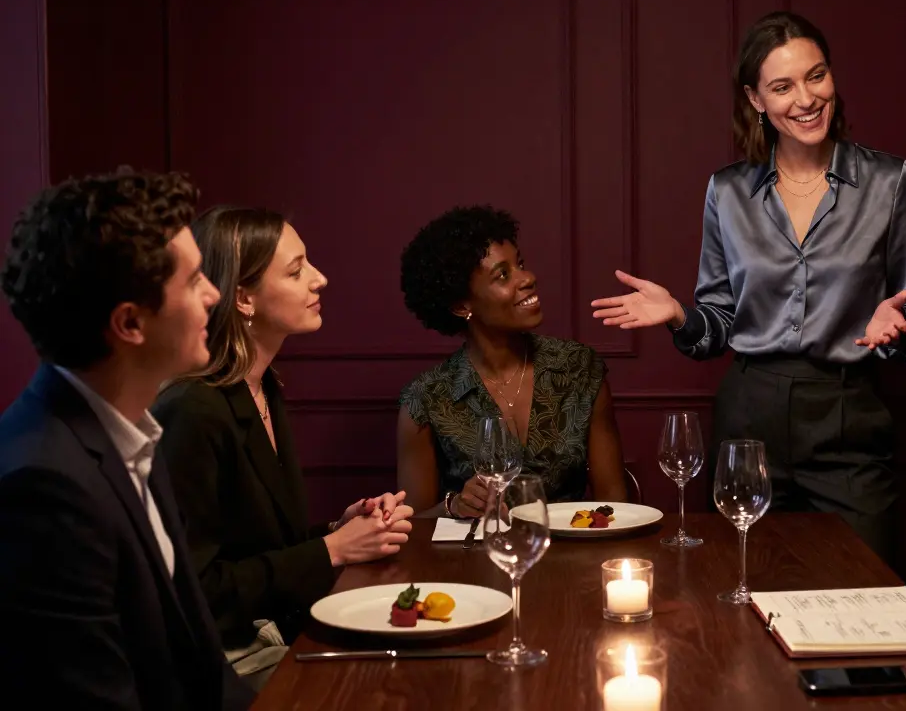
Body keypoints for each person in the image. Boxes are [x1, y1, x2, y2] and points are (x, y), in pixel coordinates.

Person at [589, 11, 906, 561]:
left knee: (867, 600)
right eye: (782, 86)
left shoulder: (892, 181)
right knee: (744, 592)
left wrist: (898, 326)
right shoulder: (727, 192)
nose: (806, 98)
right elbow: (718, 324)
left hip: (848, 412)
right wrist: (681, 314)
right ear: (755, 99)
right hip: (750, 419)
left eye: (816, 76)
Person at [0, 169, 253, 709]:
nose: (213, 294)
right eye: (192, 281)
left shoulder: (131, 428)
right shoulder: (42, 488)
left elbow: (203, 667)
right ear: (130, 324)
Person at [152, 207, 413, 689]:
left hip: (271, 634)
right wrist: (332, 551)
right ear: (243, 298)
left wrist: (341, 529)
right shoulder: (193, 411)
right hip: (219, 662)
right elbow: (194, 591)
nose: (321, 279)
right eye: (296, 271)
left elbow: (258, 548)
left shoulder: (263, 385)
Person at [397, 205, 627, 516]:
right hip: (474, 561)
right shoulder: (426, 399)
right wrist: (454, 505)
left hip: (570, 555)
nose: (528, 278)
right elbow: (412, 525)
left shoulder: (580, 370)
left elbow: (614, 502)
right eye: (503, 274)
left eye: (520, 265)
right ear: (461, 305)